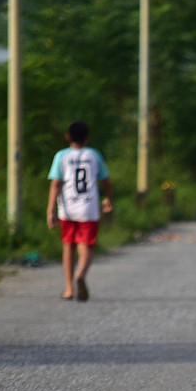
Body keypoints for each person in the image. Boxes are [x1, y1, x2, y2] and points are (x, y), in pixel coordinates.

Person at [47, 120, 113, 302]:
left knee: (68, 245)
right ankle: (81, 273)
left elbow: (56, 184)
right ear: (87, 138)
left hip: (67, 208)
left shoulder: (61, 156)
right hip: (88, 209)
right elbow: (106, 181)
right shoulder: (94, 155)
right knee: (86, 245)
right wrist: (108, 198)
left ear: (67, 136)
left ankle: (69, 289)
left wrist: (51, 210)